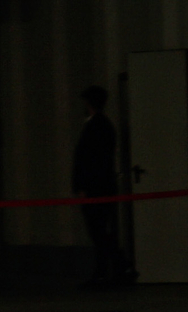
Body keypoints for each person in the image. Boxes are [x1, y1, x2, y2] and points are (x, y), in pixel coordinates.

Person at [72, 85, 130, 288]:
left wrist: (84, 186)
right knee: (101, 231)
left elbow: (90, 160)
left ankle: (112, 269)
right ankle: (114, 268)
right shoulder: (102, 125)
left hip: (96, 188)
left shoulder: (97, 126)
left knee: (98, 231)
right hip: (101, 186)